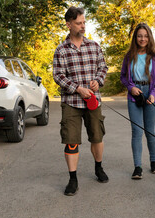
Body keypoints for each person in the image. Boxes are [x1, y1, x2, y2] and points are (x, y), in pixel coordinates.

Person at [53, 6, 109, 196]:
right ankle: (73, 179)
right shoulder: (61, 50)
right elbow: (58, 75)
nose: (83, 26)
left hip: (94, 101)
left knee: (97, 137)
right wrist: (77, 88)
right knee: (71, 141)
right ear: (69, 25)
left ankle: (98, 168)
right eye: (79, 23)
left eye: (84, 22)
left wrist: (97, 81)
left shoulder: (94, 46)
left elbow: (103, 68)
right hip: (71, 102)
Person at [120, 23, 155, 179]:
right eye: (140, 36)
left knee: (150, 131)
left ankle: (154, 162)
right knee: (137, 131)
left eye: (145, 36)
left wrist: (153, 94)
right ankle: (137, 166)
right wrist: (131, 87)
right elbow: (123, 77)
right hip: (135, 95)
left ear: (149, 37)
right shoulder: (129, 56)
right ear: (135, 37)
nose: (142, 39)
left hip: (151, 95)